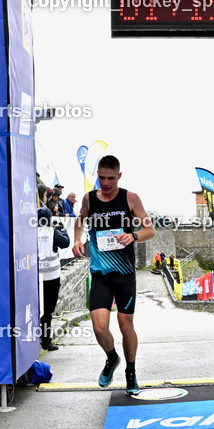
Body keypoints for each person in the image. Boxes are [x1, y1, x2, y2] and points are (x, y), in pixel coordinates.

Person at [72, 155, 155, 395]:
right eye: (101, 178)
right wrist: (77, 238)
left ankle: (131, 371)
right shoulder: (89, 198)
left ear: (119, 176)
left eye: (110, 178)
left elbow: (150, 229)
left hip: (125, 274)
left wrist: (134, 236)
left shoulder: (130, 198)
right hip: (100, 274)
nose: (105, 183)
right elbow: (80, 219)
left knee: (125, 325)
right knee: (99, 328)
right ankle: (111, 358)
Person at [37, 207, 69, 351]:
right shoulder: (53, 232)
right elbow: (65, 243)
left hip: (34, 278)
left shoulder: (30, 232)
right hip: (51, 278)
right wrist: (62, 228)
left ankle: (31, 342)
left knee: (33, 310)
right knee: (47, 311)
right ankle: (46, 341)